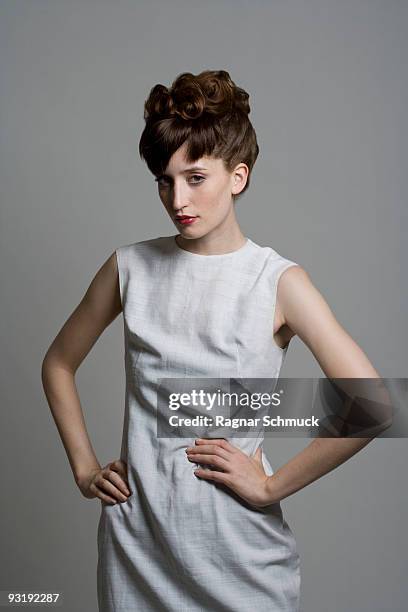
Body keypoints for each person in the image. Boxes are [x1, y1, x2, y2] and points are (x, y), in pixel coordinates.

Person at [41, 69, 381, 611]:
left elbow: (373, 404)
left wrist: (270, 487)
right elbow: (58, 363)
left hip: (238, 556)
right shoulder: (130, 267)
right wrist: (85, 468)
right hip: (137, 547)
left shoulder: (277, 282)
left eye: (196, 177)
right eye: (165, 181)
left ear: (238, 176)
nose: (178, 198)